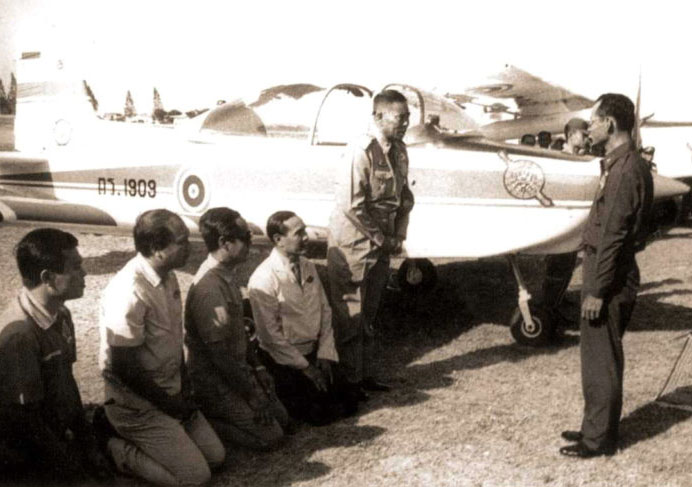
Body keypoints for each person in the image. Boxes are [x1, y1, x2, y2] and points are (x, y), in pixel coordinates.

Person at [99, 209, 225, 486]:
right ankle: (116, 448)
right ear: (157, 248)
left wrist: (183, 389)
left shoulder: (167, 276)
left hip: (168, 391)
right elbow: (123, 367)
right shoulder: (129, 290)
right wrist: (172, 406)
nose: (190, 246)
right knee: (196, 477)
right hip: (138, 404)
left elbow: (172, 340)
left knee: (216, 457)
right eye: (182, 241)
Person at [559, 94, 653, 458]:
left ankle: (598, 440)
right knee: (596, 356)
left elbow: (613, 234)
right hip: (608, 269)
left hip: (608, 276)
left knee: (602, 359)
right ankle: (594, 426)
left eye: (593, 122)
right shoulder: (622, 164)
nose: (589, 129)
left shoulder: (624, 170)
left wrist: (597, 290)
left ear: (610, 124)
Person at [0, 228, 112, 483]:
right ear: (48, 278)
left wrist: (88, 445)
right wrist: (72, 469)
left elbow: (67, 382)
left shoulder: (61, 314)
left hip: (53, 435)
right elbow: (25, 421)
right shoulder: (20, 336)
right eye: (76, 267)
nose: (84, 274)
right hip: (24, 451)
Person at [327, 89, 415, 399]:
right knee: (349, 317)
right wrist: (383, 239)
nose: (405, 123)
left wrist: (399, 235)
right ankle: (346, 384)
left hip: (381, 244)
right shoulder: (360, 151)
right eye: (399, 117)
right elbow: (352, 205)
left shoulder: (399, 151)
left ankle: (363, 376)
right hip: (353, 246)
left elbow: (405, 198)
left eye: (408, 117)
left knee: (368, 317)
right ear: (378, 117)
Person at [185, 207, 290, 450]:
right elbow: (219, 355)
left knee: (283, 420)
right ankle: (209, 421)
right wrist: (251, 395)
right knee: (271, 437)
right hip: (216, 382)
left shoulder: (226, 275)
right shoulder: (210, 289)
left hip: (235, 372)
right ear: (225, 243)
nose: (251, 241)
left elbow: (239, 332)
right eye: (245, 237)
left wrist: (258, 367)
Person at [248, 211, 350, 425]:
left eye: (305, 231)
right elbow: (270, 337)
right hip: (284, 360)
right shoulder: (263, 278)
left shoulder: (307, 265)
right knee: (319, 416)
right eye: (298, 233)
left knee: (348, 403)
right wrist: (306, 368)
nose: (306, 237)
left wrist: (325, 353)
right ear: (278, 240)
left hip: (313, 352)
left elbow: (324, 310)